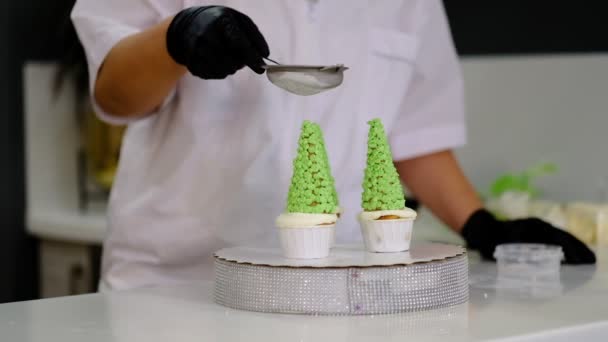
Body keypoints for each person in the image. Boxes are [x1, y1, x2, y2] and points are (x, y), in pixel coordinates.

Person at [71, 0, 595, 291]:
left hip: (339, 286)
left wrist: (482, 225)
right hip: (177, 285)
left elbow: (412, 135)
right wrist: (176, 39)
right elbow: (116, 95)